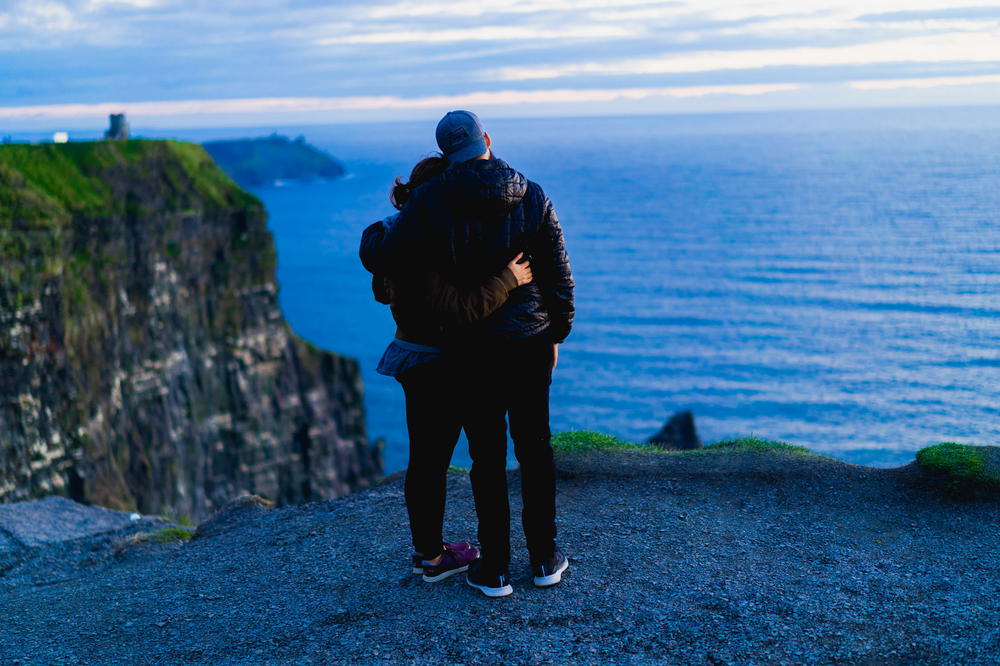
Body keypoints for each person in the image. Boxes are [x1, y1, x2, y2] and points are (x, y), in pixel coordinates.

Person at [360, 110, 575, 598]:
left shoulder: (432, 199)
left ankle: (494, 567)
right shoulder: (534, 193)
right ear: (488, 140)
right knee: (536, 448)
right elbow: (559, 275)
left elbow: (389, 258)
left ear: (446, 154)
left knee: (487, 456)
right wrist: (556, 334)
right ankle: (544, 557)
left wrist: (380, 233)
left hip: (472, 347)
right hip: (531, 341)